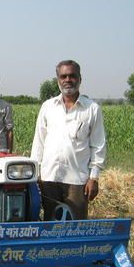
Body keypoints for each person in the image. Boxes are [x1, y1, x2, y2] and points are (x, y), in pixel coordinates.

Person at [31, 60, 106, 221]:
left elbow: (98, 145)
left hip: (77, 179)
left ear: (80, 79)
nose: (68, 80)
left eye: (72, 76)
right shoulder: (48, 107)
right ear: (58, 80)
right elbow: (39, 142)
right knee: (50, 224)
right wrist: (36, 174)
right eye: (63, 76)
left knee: (76, 226)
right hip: (49, 177)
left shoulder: (92, 109)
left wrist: (94, 177)